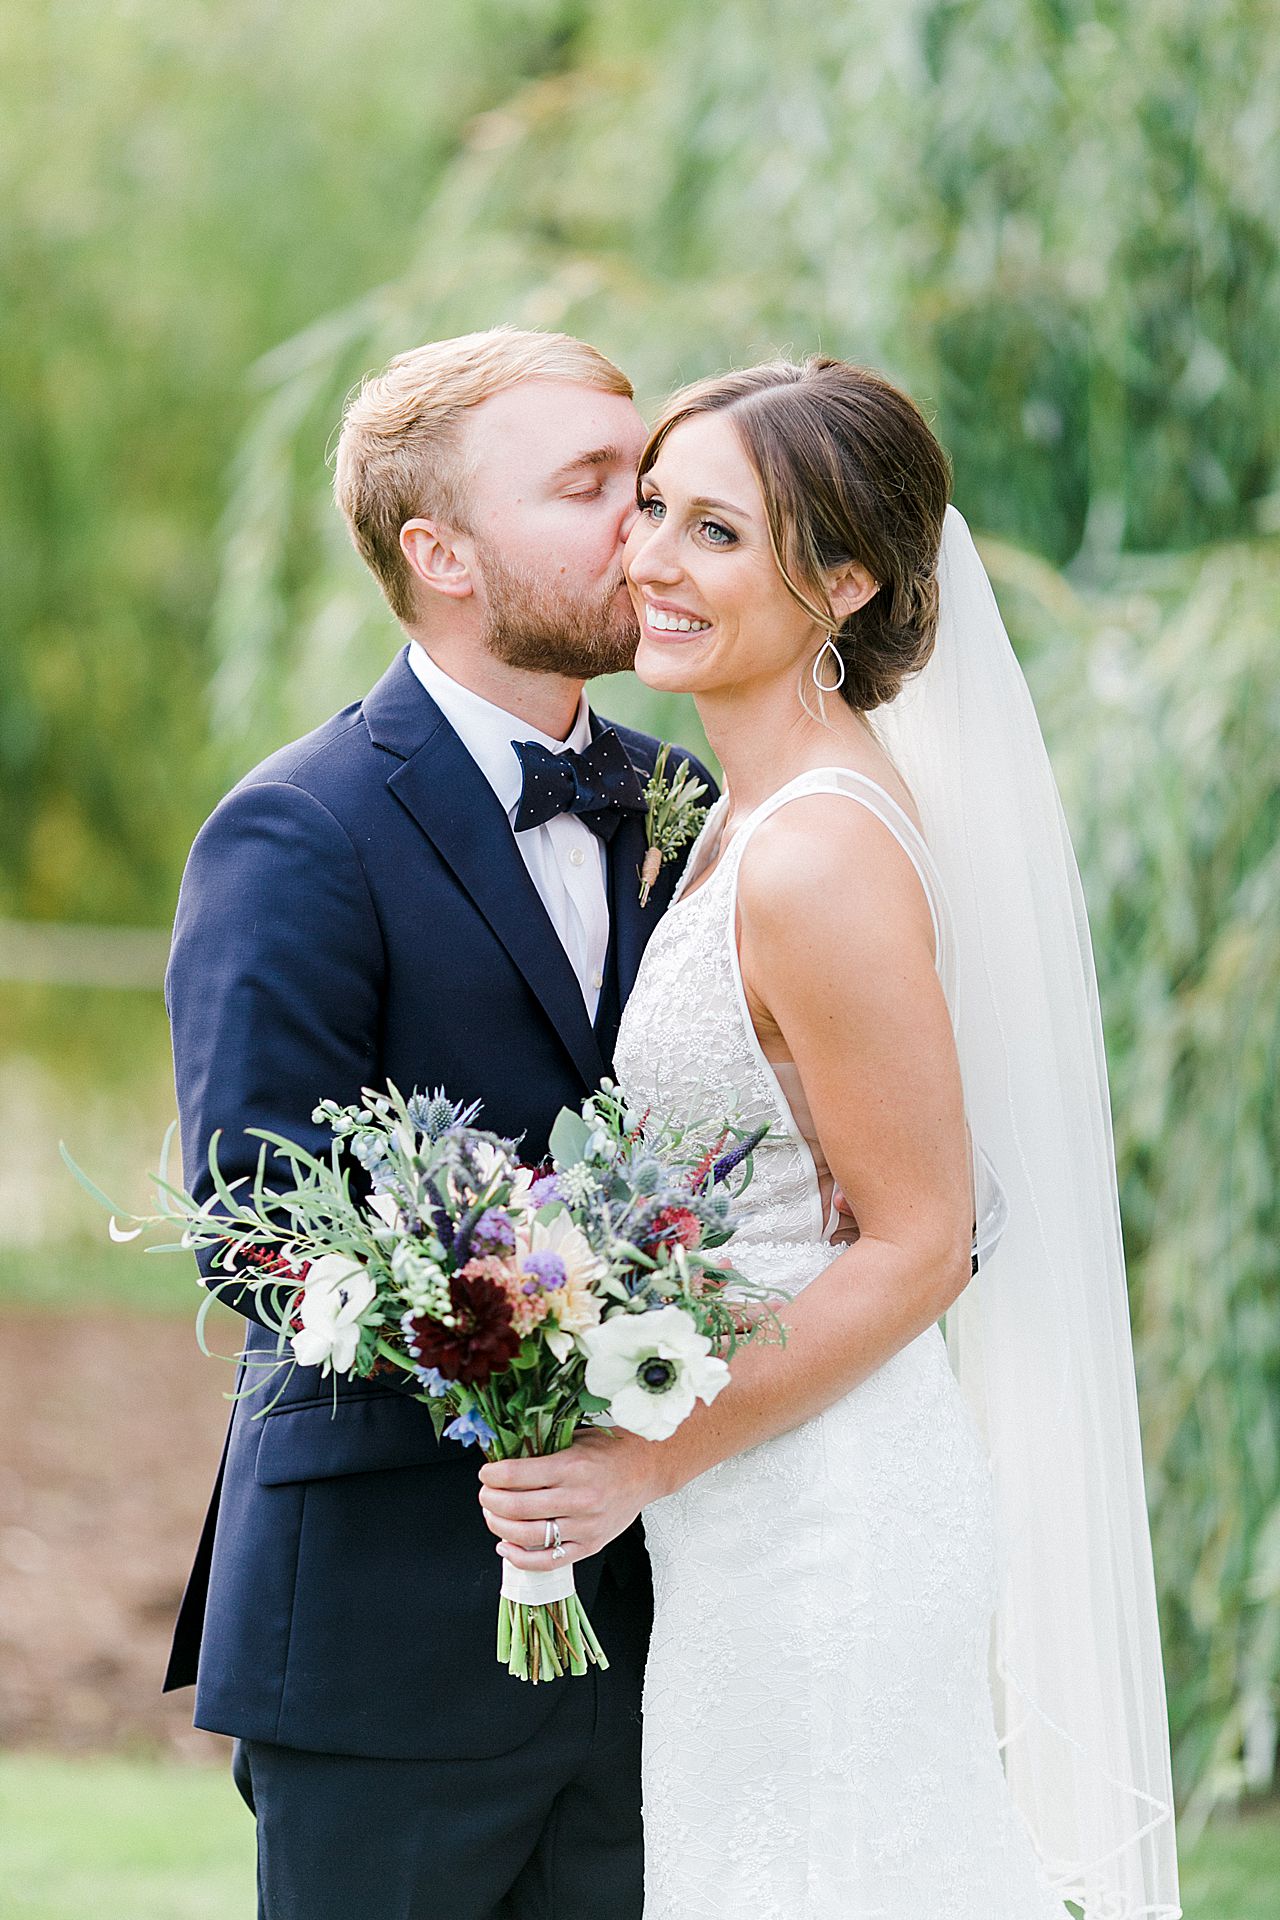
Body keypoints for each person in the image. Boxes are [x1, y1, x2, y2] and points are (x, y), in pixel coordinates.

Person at [479, 359, 1182, 1917]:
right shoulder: (737, 817)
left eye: (716, 532)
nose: (650, 556)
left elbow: (925, 1239)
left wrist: (636, 1460)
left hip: (830, 1517)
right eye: (651, 506)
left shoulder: (818, 859)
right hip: (749, 1517)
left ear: (845, 582)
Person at [163, 326, 715, 1920]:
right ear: (442, 551)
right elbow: (256, 1216)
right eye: (595, 483)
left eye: (658, 480)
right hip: (385, 1634)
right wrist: (530, 1343)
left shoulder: (690, 805)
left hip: (670, 1620)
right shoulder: (298, 826)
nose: (648, 521)